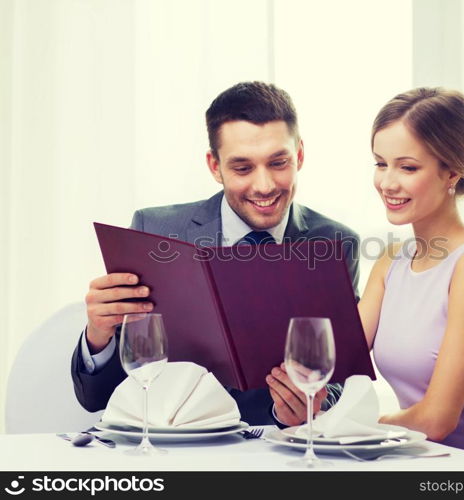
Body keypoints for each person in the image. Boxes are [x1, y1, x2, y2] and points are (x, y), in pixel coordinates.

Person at [71, 81, 360, 426]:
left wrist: (311, 407)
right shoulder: (155, 228)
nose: (264, 185)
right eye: (242, 168)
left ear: (298, 155)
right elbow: (98, 399)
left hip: (273, 452)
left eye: (278, 162)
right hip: (175, 449)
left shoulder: (337, 242)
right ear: (214, 166)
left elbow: (341, 375)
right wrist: (98, 335)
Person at [358, 87, 464, 464]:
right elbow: (334, 360)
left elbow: (436, 419)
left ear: (451, 171)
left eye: (407, 167)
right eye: (380, 163)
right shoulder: (390, 263)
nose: (387, 183)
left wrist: (354, 428)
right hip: (418, 463)